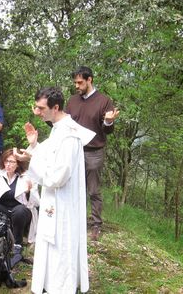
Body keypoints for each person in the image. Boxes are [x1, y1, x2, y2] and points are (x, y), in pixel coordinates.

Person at [17, 87, 95, 293]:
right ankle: (50, 284)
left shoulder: (69, 135)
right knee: (51, 242)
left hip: (63, 201)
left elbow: (57, 176)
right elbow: (50, 154)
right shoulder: (58, 128)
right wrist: (33, 147)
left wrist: (31, 161)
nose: (38, 112)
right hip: (54, 199)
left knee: (61, 243)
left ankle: (61, 287)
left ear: (56, 107)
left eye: (42, 108)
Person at [65, 66, 119, 241]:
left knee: (93, 190)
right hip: (73, 150)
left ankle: (96, 224)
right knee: (72, 186)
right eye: (75, 82)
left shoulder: (104, 101)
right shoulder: (72, 101)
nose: (77, 86)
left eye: (80, 82)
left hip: (94, 152)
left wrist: (109, 121)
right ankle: (75, 220)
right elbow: (63, 124)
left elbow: (107, 131)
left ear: (90, 80)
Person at [0, 148, 39, 267]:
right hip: (4, 211)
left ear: (18, 163)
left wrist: (28, 192)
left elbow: (35, 203)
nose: (8, 164)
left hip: (22, 212)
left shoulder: (27, 176)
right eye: (6, 161)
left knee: (19, 210)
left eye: (12, 162)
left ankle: (17, 243)